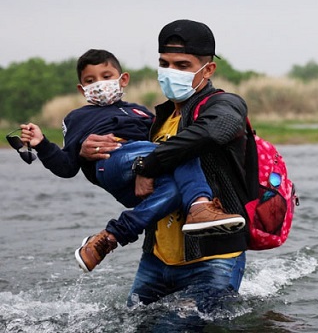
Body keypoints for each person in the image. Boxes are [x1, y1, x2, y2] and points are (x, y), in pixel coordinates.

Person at [18, 49, 246, 273]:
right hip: (114, 159)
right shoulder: (77, 117)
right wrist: (43, 144)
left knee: (175, 187)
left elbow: (159, 145)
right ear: (82, 88)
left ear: (123, 79)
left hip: (142, 173)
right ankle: (199, 205)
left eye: (106, 77)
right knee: (177, 151)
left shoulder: (141, 112)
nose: (99, 83)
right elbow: (66, 167)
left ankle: (110, 237)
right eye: (90, 80)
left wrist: (146, 169)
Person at [80, 20, 254, 310]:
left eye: (182, 65)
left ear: (208, 70)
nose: (171, 72)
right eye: (164, 63)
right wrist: (89, 158)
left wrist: (148, 165)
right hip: (156, 259)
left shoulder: (224, 105)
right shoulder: (156, 118)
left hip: (212, 259)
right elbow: (127, 183)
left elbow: (215, 130)